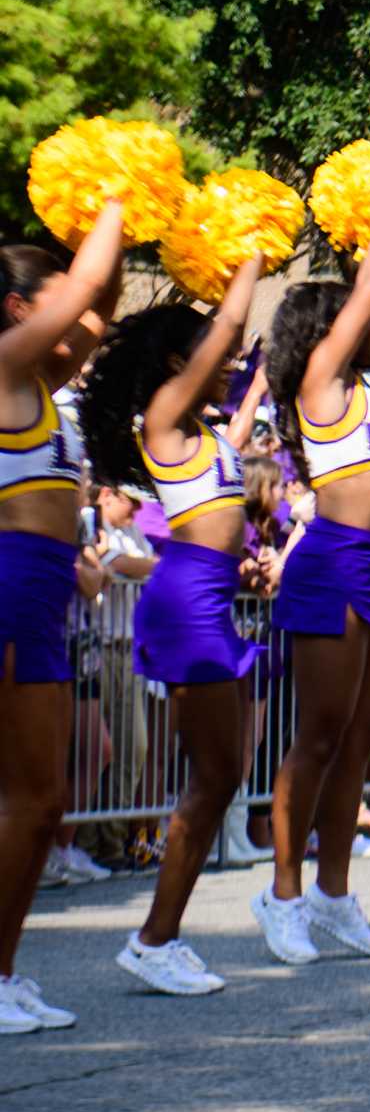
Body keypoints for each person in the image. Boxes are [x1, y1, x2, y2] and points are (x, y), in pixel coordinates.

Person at [78, 257, 267, 995]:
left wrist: (244, 565)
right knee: (214, 775)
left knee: (220, 776)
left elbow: (233, 350)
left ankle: (162, 934)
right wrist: (246, 257)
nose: (225, 370)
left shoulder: (210, 433)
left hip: (208, 596)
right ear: (175, 363)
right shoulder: (161, 419)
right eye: (211, 362)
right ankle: (154, 937)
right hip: (185, 601)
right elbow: (228, 328)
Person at [256, 206, 370, 967]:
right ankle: (281, 893)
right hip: (328, 560)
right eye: (364, 315)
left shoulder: (368, 394)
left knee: (360, 734)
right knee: (318, 734)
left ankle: (332, 891)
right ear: (329, 327)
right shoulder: (320, 382)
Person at [0, 209, 125, 1033]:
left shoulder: (40, 385)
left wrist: (114, 247)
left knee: (42, 800)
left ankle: (6, 969)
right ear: (20, 309)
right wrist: (117, 193)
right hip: (9, 583)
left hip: (44, 593)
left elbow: (98, 301)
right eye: (56, 303)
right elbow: (86, 286)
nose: (76, 322)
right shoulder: (3, 366)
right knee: (24, 796)